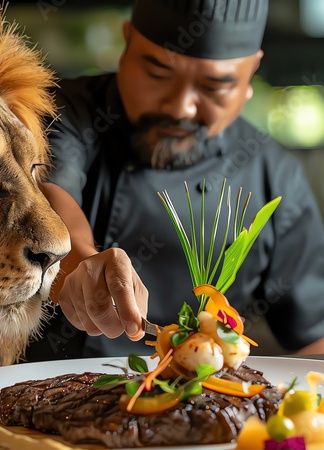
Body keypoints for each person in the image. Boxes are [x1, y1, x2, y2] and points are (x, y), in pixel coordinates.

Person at [27, 0, 324, 361]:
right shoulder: (63, 112)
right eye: (158, 74)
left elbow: (313, 338)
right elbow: (49, 194)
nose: (181, 106)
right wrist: (83, 263)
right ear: (126, 45)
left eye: (214, 86)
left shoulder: (275, 178)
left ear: (251, 74)